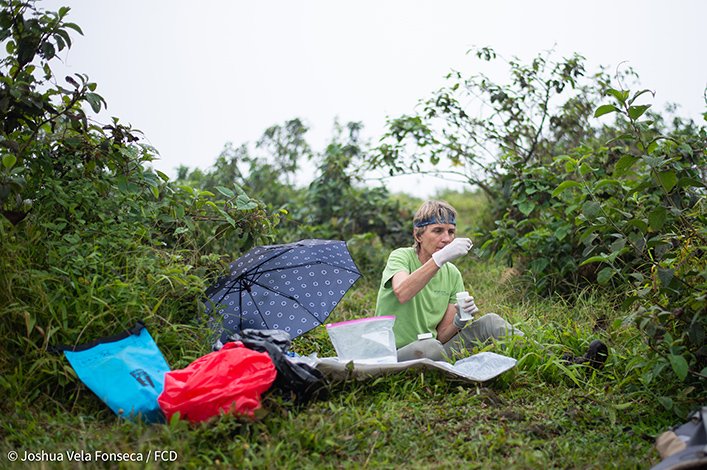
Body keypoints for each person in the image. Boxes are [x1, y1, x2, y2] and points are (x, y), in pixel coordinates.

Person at [375, 200, 524, 362]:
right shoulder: (401, 256)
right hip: (394, 354)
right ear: (418, 236)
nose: (446, 239)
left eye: (451, 232)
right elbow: (402, 292)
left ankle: (541, 356)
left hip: (434, 350)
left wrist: (459, 320)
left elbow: (442, 336)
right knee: (428, 347)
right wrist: (440, 259)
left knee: (491, 322)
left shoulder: (452, 273)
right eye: (438, 231)